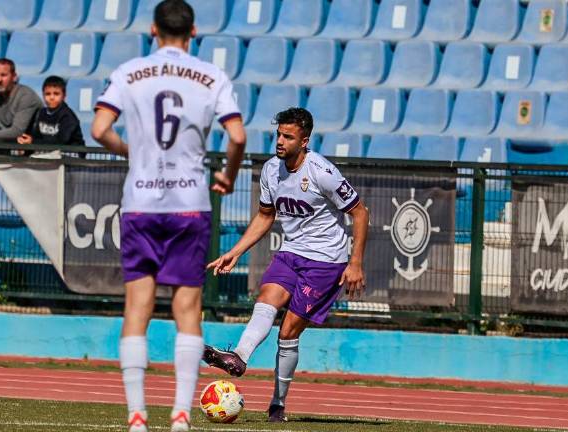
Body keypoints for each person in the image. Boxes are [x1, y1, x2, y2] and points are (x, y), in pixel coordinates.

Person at [90, 1, 246, 431]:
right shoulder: (212, 76)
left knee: (137, 305)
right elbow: (237, 135)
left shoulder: (129, 72)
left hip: (141, 202)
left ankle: (137, 416)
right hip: (189, 202)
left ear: (153, 30)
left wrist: (129, 151)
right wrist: (229, 177)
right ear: (193, 31)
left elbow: (100, 128)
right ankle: (180, 415)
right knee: (187, 306)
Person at [203, 107, 370, 423]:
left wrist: (356, 262)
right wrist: (236, 251)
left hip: (325, 262)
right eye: (278, 135)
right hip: (291, 253)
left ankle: (277, 405)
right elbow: (266, 216)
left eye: (287, 136)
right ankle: (239, 357)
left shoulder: (323, 172)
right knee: (266, 299)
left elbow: (360, 213)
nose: (280, 141)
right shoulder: (270, 171)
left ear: (304, 141)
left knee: (289, 331)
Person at [18, 75, 84, 147]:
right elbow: (35, 136)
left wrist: (33, 141)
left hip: (71, 153)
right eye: (47, 94)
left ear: (64, 96)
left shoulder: (68, 116)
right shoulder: (40, 113)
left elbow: (61, 141)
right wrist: (25, 145)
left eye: (56, 94)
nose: (51, 97)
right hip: (47, 152)